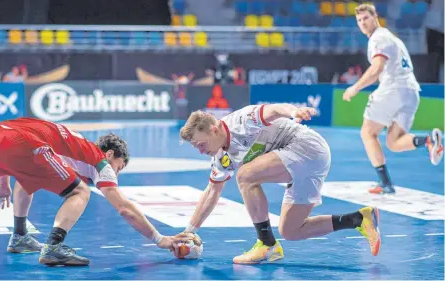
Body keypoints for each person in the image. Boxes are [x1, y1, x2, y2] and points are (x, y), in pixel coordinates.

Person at [175, 104, 381, 264]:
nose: (201, 151)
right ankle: (358, 219)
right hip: (300, 165)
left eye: (201, 145)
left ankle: (266, 244)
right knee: (291, 230)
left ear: (213, 129)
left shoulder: (240, 121)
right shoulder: (220, 158)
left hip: (307, 147)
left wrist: (295, 111)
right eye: (196, 148)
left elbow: (274, 110)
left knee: (245, 176)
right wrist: (189, 230)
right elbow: (212, 191)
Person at [0, 117, 191, 266]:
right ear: (109, 155)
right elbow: (124, 208)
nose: (115, 174)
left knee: (28, 178)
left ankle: (19, 236)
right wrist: (159, 239)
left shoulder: (74, 146)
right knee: (80, 192)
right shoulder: (100, 162)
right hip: (20, 142)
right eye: (119, 167)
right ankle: (54, 246)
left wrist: (2, 179)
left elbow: (10, 137)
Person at [342, 4, 443, 194]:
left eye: (366, 18)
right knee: (394, 142)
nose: (363, 23)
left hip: (393, 89)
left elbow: (376, 68)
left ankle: (385, 183)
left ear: (375, 17)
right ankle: (429, 142)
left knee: (367, 133)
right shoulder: (392, 38)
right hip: (411, 92)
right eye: (359, 20)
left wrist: (355, 88)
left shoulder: (378, 38)